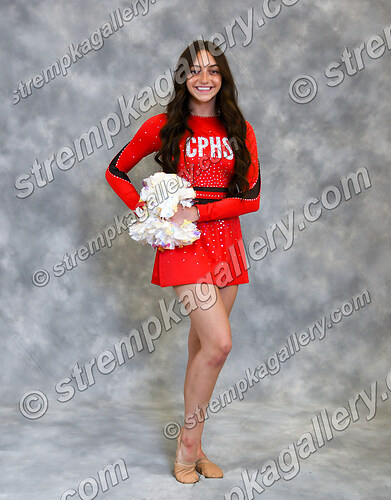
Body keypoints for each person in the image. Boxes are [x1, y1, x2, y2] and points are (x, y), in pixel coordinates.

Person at [105, 39, 261, 484]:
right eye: (195, 70)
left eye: (213, 70)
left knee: (202, 350)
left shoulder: (240, 129)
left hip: (226, 244)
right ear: (182, 77)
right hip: (184, 244)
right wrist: (150, 212)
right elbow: (115, 170)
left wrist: (199, 212)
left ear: (223, 77)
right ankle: (187, 448)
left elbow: (251, 198)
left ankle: (196, 444)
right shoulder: (163, 125)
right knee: (220, 344)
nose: (204, 78)